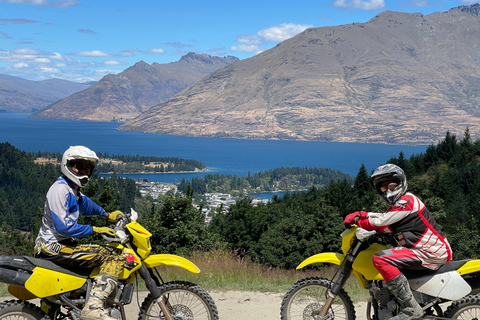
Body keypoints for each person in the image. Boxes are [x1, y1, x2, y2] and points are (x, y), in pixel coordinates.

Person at [344, 164, 452, 320]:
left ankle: (411, 308)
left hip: (431, 252)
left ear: (400, 183)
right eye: (383, 188)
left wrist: (358, 218)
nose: (388, 190)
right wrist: (362, 215)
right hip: (428, 251)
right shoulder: (399, 205)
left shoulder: (407, 200)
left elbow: (381, 221)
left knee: (381, 258)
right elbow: (385, 218)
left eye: (392, 185)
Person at [34, 145, 126, 320]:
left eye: (87, 168)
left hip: (61, 244)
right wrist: (95, 230)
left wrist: (107, 215)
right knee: (113, 256)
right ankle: (94, 306)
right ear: (67, 165)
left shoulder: (72, 189)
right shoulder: (60, 189)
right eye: (79, 166)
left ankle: (58, 306)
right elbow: (64, 227)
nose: (84, 171)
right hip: (52, 246)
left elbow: (86, 204)